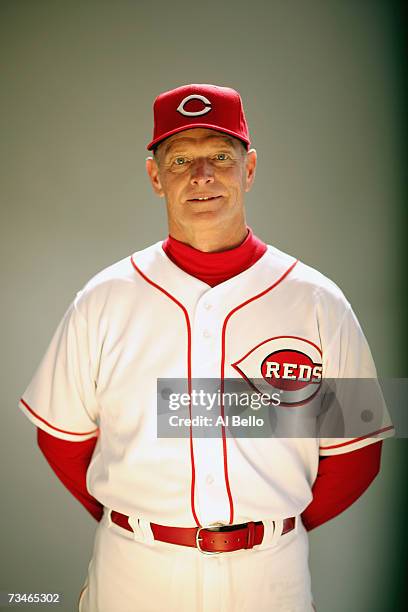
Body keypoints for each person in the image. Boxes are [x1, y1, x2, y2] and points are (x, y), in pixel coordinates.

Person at [19, 84, 394, 612]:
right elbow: (60, 441)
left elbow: (358, 455)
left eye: (220, 155)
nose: (202, 175)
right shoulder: (103, 298)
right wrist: (140, 523)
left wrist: (268, 532)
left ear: (250, 167)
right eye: (180, 159)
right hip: (135, 572)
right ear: (155, 175)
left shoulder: (317, 300)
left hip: (270, 578)